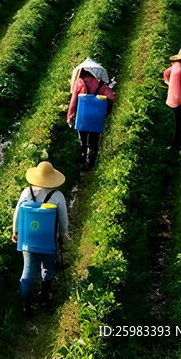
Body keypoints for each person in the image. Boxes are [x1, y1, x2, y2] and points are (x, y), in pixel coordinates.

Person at [12, 161, 69, 309]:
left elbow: (17, 214)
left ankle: (26, 303)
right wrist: (64, 234)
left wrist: (15, 232)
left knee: (28, 271)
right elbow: (63, 220)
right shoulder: (57, 196)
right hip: (48, 239)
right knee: (48, 267)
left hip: (28, 238)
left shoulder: (26, 192)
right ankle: (44, 295)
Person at [67, 58, 115, 171]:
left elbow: (73, 101)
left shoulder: (80, 83)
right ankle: (91, 163)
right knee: (94, 140)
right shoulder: (100, 84)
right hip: (96, 117)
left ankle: (82, 161)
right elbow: (111, 97)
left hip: (82, 117)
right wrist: (107, 110)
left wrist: (70, 116)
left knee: (82, 140)